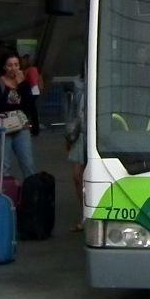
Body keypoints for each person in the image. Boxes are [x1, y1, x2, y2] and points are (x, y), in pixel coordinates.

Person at [0, 52, 41, 181]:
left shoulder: (23, 83)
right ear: (4, 67)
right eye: (10, 65)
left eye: (16, 65)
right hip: (3, 126)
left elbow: (29, 104)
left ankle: (32, 193)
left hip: (21, 126)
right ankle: (5, 192)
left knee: (28, 163)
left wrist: (22, 85)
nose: (14, 68)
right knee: (4, 165)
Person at [66, 74, 88, 232]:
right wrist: (68, 135)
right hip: (79, 133)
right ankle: (85, 214)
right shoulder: (78, 84)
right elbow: (73, 111)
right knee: (77, 176)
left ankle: (89, 214)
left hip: (96, 133)